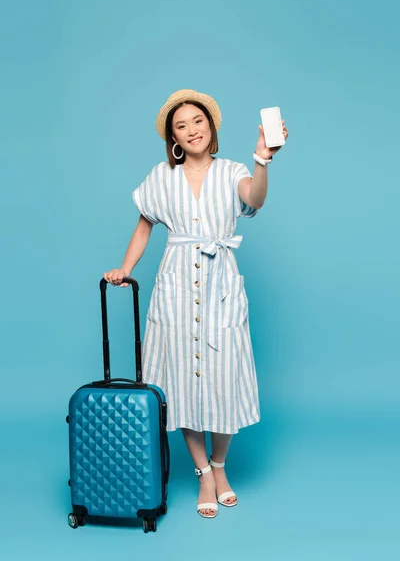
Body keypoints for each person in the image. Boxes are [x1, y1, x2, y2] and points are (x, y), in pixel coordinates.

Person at [104, 89, 288, 519]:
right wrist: (124, 268)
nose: (191, 130)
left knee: (223, 380)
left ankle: (221, 467)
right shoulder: (161, 177)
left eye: (197, 121)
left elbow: (254, 199)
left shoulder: (233, 171)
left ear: (211, 125)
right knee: (183, 381)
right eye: (180, 126)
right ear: (173, 137)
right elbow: (143, 227)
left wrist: (263, 160)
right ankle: (202, 471)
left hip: (221, 282)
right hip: (176, 285)